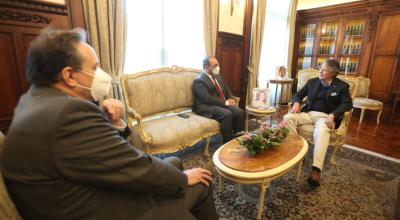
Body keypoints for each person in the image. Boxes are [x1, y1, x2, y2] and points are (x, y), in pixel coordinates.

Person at [1, 28, 218, 220]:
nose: (100, 75)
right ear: (69, 76)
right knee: (200, 183)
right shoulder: (68, 113)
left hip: (82, 190)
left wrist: (114, 122)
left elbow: (107, 157)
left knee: (173, 162)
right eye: (94, 68)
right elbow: (133, 164)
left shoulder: (32, 102)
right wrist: (181, 179)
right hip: (100, 207)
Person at [283, 59, 352, 187]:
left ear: (333, 73)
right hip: (309, 114)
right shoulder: (312, 82)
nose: (320, 71)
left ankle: (316, 170)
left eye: (324, 69)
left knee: (322, 130)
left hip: (326, 117)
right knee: (288, 118)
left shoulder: (342, 86)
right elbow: (297, 95)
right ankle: (297, 153)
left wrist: (333, 115)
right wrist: (297, 102)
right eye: (320, 68)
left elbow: (347, 104)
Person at [192, 57, 245, 143]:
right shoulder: (199, 81)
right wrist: (225, 102)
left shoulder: (218, 76)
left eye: (218, 65)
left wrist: (230, 98)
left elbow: (226, 88)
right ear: (206, 68)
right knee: (227, 114)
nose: (218, 67)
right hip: (205, 106)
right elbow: (207, 99)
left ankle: (239, 140)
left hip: (219, 104)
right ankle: (227, 143)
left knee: (240, 112)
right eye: (215, 65)